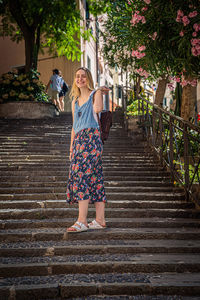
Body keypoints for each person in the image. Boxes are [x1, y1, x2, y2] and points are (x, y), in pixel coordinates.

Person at [66, 67, 109, 233]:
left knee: (81, 177)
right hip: (78, 142)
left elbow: (98, 109)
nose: (80, 79)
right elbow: (74, 127)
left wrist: (97, 90)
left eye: (83, 76)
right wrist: (71, 148)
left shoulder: (94, 94)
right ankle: (100, 219)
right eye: (77, 76)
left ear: (88, 78)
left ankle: (82, 221)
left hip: (91, 140)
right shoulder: (75, 101)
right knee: (95, 178)